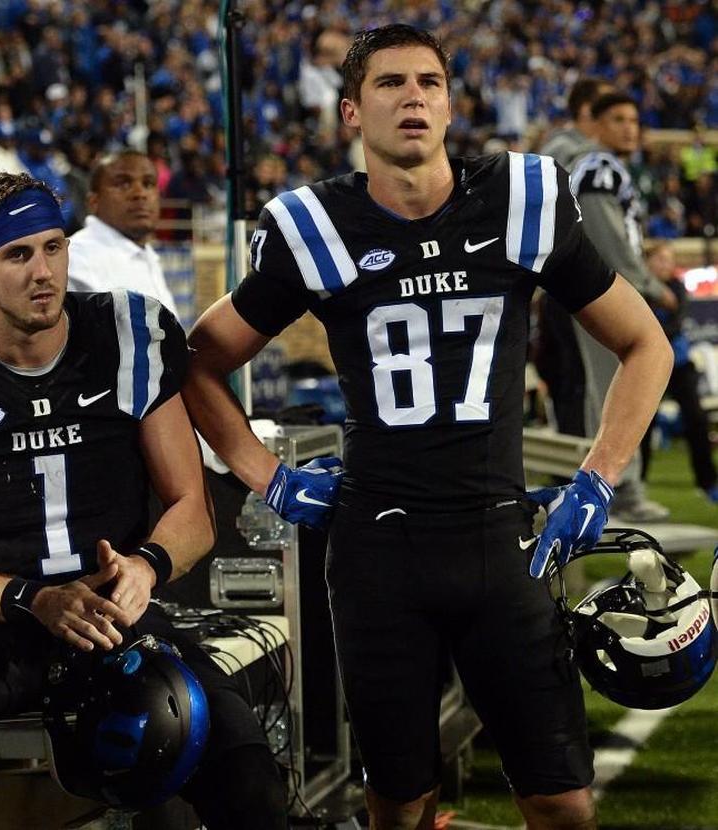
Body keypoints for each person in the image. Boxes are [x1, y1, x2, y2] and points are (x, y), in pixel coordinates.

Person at [181, 24, 672, 830]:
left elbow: (644, 341)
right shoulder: (317, 227)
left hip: (502, 542)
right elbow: (199, 359)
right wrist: (264, 475)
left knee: (562, 802)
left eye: (429, 83)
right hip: (380, 555)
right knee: (399, 806)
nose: (413, 96)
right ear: (350, 109)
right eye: (389, 83)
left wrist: (600, 474)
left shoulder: (519, 202)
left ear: (449, 105)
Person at [0, 172, 286, 829]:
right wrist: (33, 598)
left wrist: (147, 567)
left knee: (242, 759)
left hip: (114, 614)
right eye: (18, 255)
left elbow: (192, 506)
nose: (42, 271)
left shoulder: (128, 335)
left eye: (53, 248)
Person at [568, 91, 677, 522]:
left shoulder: (603, 168)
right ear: (594, 124)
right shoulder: (599, 169)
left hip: (594, 291)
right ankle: (621, 490)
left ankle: (616, 488)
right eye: (617, 119)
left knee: (606, 388)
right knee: (616, 386)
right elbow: (609, 244)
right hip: (605, 293)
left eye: (634, 119)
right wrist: (648, 283)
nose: (629, 128)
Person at [536, 77, 613, 436]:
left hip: (575, 278)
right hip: (563, 282)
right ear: (586, 111)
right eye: (605, 111)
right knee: (576, 378)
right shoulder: (569, 148)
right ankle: (575, 468)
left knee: (579, 377)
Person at [640, 242, 718, 503]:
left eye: (668, 260)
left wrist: (651, 335)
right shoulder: (638, 289)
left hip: (678, 362)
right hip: (646, 365)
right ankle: (635, 483)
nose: (664, 264)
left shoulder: (677, 288)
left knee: (696, 419)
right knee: (641, 425)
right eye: (659, 259)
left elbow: (674, 324)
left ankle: (708, 481)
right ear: (647, 263)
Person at [68, 149, 178, 315]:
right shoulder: (76, 258)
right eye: (123, 184)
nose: (140, 194)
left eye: (148, 184)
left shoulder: (145, 253)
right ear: (94, 201)